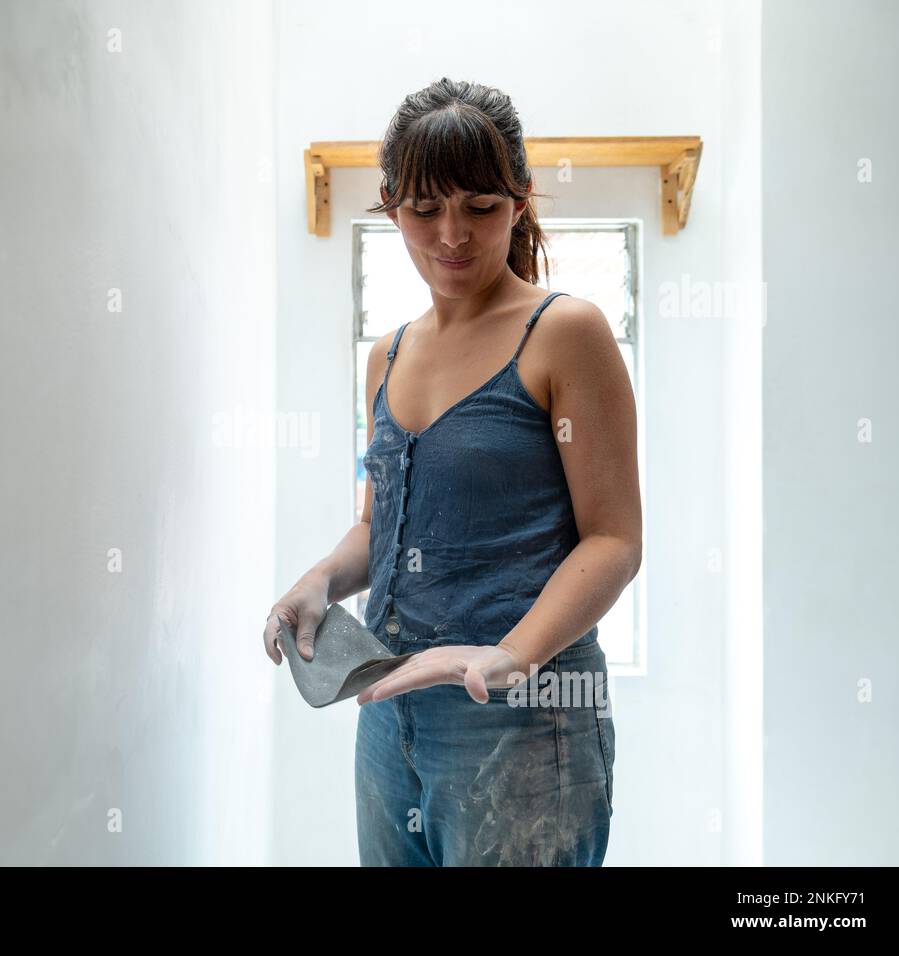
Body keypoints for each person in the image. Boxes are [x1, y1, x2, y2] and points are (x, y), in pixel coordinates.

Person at [262, 78, 642, 866]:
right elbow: (382, 524)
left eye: (481, 207)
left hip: (525, 716)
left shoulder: (564, 331)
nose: (452, 236)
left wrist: (511, 656)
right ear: (392, 206)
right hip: (391, 706)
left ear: (520, 201)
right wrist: (319, 582)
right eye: (425, 209)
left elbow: (613, 539)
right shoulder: (387, 354)